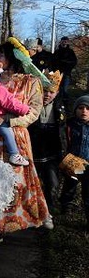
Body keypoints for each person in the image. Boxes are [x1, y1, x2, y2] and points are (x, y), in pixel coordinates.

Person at [0, 37, 50, 246]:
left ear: (13, 57)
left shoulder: (30, 81)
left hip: (15, 137)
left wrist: (7, 119)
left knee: (15, 183)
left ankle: (17, 221)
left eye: (1, 55)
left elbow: (34, 112)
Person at [29, 70, 64, 225]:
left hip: (51, 154)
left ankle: (47, 214)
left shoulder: (61, 109)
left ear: (56, 93)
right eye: (45, 91)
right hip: (32, 152)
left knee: (51, 185)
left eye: (51, 92)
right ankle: (32, 214)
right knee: (31, 187)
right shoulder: (29, 105)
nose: (47, 95)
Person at [58, 94, 89, 224]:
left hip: (88, 165)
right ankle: (65, 209)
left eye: (88, 108)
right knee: (69, 187)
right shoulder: (69, 125)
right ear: (75, 110)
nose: (84, 111)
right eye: (80, 108)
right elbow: (63, 141)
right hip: (73, 162)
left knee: (87, 192)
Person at [53, 36, 78, 101]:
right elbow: (53, 62)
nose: (64, 42)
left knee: (64, 89)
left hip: (66, 73)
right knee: (56, 89)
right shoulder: (57, 52)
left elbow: (74, 62)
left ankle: (65, 103)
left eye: (65, 41)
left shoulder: (70, 52)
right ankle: (57, 102)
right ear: (60, 42)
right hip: (57, 74)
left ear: (67, 42)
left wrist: (67, 66)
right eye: (63, 41)